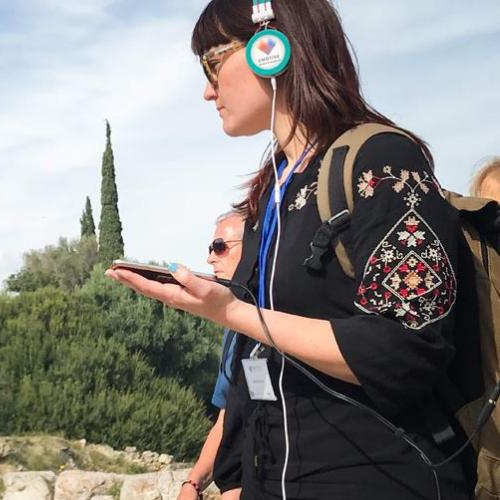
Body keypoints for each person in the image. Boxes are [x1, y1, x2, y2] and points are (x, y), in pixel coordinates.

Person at [107, 0, 471, 498]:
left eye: (212, 62)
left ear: (269, 48)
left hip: (379, 479)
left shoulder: (380, 159)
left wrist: (234, 313)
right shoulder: (274, 189)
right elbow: (264, 365)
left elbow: (407, 349)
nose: (207, 90)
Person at [179, 211, 244, 500]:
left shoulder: (284, 317)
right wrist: (192, 484)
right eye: (210, 248)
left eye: (220, 247)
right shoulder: (233, 330)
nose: (210, 258)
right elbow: (226, 417)